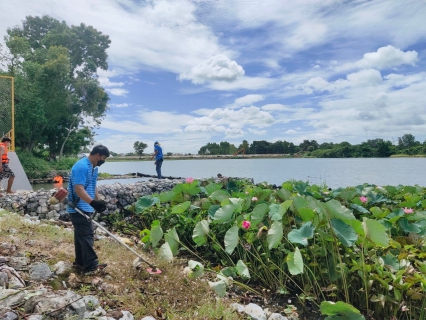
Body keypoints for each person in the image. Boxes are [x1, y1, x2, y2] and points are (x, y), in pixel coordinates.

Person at [66, 145, 110, 275]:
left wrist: (98, 201)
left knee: (80, 236)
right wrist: (92, 202)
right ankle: (91, 266)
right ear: (97, 155)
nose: (103, 161)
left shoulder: (93, 168)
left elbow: (92, 185)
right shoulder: (82, 166)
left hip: (86, 206)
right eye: (103, 158)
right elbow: (79, 189)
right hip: (78, 207)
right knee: (87, 235)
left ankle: (80, 262)